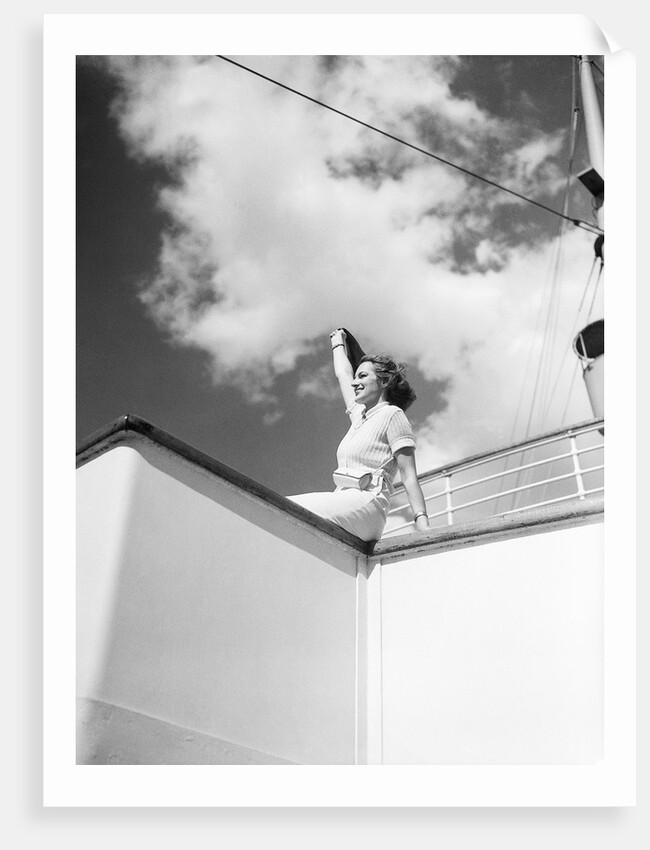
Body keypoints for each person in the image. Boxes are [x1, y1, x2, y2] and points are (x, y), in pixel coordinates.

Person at [288, 328, 430, 542]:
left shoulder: (392, 414)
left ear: (384, 382)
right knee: (282, 511)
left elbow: (408, 474)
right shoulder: (358, 416)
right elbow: (343, 374)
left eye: (362, 376)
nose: (355, 383)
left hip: (369, 502)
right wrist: (337, 341)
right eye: (355, 377)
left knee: (288, 508)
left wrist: (422, 522)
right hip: (345, 498)